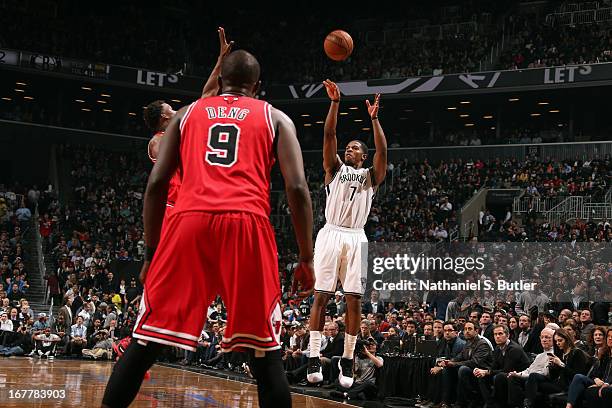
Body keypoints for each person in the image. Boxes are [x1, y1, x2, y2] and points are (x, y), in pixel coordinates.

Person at [101, 49, 314, 408]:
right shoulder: (275, 117)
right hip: (247, 223)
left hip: (189, 222)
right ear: (257, 86)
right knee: (265, 352)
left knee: (146, 341)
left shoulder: (185, 115)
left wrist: (152, 255)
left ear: (221, 81)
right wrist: (306, 257)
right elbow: (296, 188)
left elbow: (155, 187)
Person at [307, 79, 387, 388]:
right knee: (321, 296)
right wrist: (335, 103)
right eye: (348, 147)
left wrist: (375, 119)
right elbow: (329, 134)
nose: (348, 149)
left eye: (354, 148)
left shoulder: (371, 176)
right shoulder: (334, 169)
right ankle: (314, 355)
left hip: (357, 237)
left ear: (363, 156)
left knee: (354, 302)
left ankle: (348, 358)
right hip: (331, 233)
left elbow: (382, 149)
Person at [144, 27, 233, 216]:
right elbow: (166, 163)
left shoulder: (182, 131)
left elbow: (208, 93)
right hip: (171, 207)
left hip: (191, 204)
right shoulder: (157, 141)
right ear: (164, 117)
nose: (176, 110)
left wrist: (221, 61)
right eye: (171, 108)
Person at [565, 327, 612, 408]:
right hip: (600, 382)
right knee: (578, 377)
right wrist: (596, 379)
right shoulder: (605, 354)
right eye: (609, 336)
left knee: (594, 390)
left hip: (608, 385)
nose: (610, 338)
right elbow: (595, 373)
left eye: (600, 335)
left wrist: (607, 384)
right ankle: (568, 406)